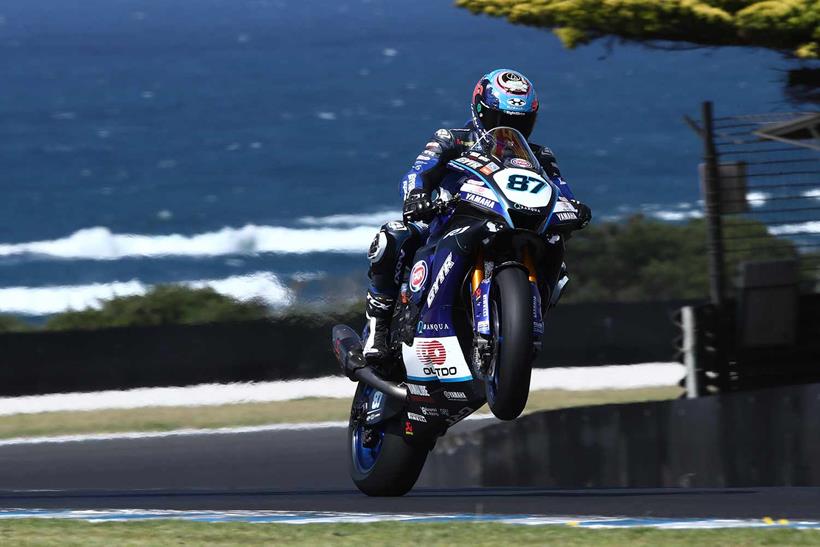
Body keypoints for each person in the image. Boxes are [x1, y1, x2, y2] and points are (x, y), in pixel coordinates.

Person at [363, 69, 591, 363]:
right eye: (500, 120)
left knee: (557, 251)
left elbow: (561, 190)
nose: (509, 127)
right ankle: (377, 327)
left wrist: (575, 207)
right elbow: (417, 172)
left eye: (519, 122)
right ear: (480, 109)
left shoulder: (540, 155)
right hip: (449, 224)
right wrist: (417, 196)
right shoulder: (451, 140)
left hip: (512, 223)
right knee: (393, 236)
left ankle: (522, 325)